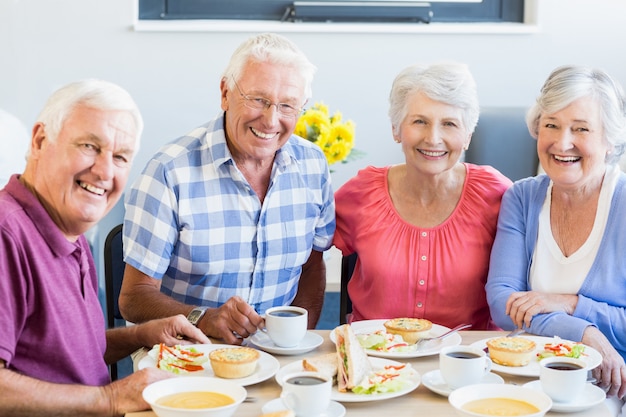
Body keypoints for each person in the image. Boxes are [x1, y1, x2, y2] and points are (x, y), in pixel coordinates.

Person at [0, 79, 211, 417]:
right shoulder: (6, 235)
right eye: (89, 146)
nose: (104, 171)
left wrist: (142, 334)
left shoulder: (69, 229)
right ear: (40, 140)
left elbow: (67, 357)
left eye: (120, 157)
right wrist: (111, 399)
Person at [119, 33, 335, 345]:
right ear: (225, 93)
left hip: (276, 357)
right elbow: (133, 299)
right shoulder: (169, 172)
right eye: (258, 100)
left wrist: (297, 341)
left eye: (287, 105)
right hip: (190, 357)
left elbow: (312, 267)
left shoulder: (313, 167)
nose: (271, 119)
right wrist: (203, 318)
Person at [485, 65, 626, 408]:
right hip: (527, 374)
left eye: (581, 129)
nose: (562, 143)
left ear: (610, 139)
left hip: (609, 385)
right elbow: (503, 303)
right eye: (551, 125)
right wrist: (583, 332)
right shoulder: (521, 197)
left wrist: (571, 304)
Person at [333, 62, 512, 329]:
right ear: (396, 128)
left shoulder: (496, 194)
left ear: (467, 136)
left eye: (449, 124)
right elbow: (305, 250)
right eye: (420, 121)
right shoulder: (361, 193)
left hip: (465, 361)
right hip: (375, 357)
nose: (433, 138)